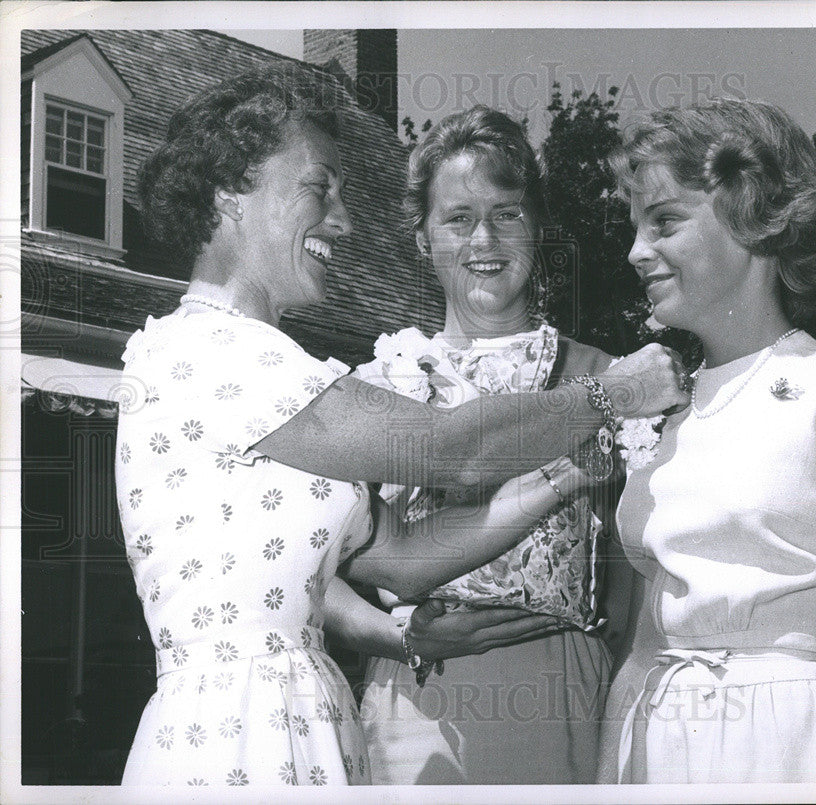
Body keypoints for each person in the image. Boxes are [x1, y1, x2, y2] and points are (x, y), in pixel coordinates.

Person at [116, 66, 684, 787]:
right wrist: (612, 395)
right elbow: (453, 452)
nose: (345, 221)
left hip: (312, 721)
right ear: (233, 191)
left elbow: (403, 559)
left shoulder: (274, 366)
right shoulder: (208, 351)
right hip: (235, 737)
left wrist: (568, 474)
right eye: (320, 189)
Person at [597, 99, 816, 783]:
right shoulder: (664, 414)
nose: (635, 250)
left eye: (663, 221)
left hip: (789, 744)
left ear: (750, 213)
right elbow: (641, 650)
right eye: (634, 226)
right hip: (659, 742)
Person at [321, 106, 636, 784]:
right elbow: (307, 577)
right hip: (416, 702)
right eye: (458, 218)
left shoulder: (606, 378)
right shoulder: (377, 384)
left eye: (507, 213)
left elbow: (637, 584)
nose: (484, 238)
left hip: (560, 697)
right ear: (421, 236)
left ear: (538, 225)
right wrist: (394, 634)